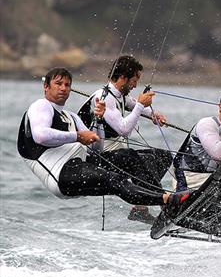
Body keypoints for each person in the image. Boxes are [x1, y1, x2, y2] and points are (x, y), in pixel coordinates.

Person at [17, 67, 194, 214]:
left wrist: (99, 120)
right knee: (115, 179)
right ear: (46, 87)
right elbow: (40, 136)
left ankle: (159, 207)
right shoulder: (41, 106)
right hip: (61, 173)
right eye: (58, 84)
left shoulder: (71, 116)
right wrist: (77, 136)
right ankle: (168, 200)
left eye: (67, 85)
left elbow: (96, 147)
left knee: (128, 156)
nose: (63, 88)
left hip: (81, 161)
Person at [78, 55, 173, 224]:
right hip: (94, 157)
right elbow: (124, 129)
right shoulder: (104, 97)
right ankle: (166, 206)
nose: (136, 85)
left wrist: (153, 114)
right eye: (134, 80)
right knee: (131, 157)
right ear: (123, 77)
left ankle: (140, 208)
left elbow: (133, 104)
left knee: (163, 156)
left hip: (113, 153)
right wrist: (140, 105)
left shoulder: (120, 95)